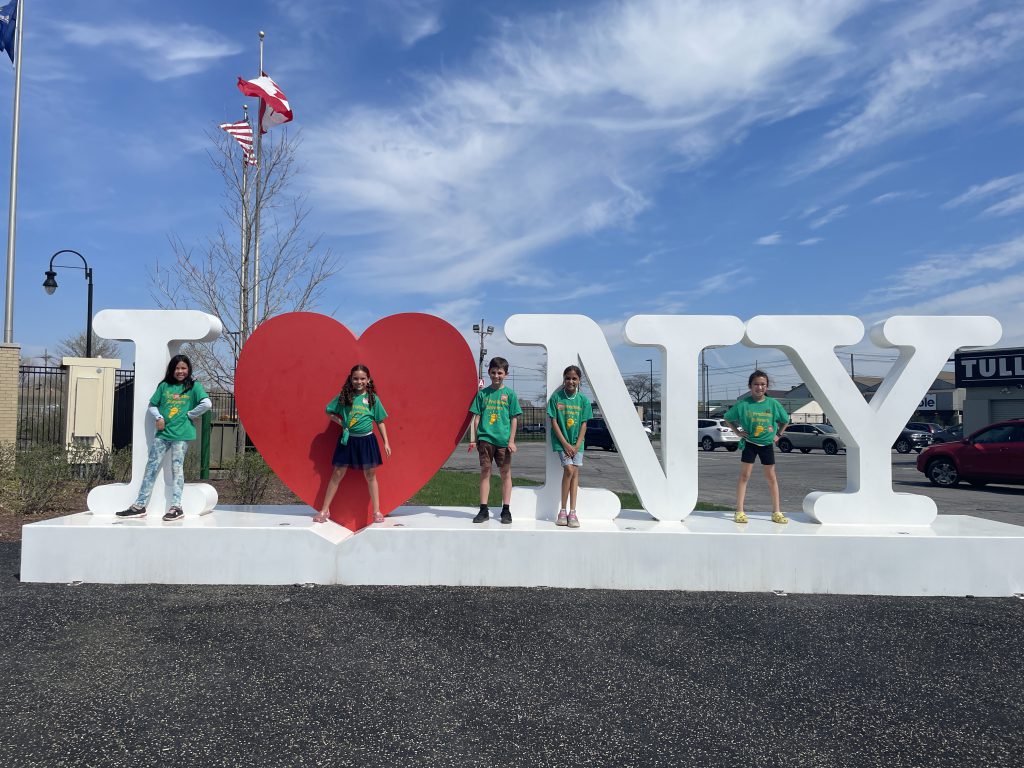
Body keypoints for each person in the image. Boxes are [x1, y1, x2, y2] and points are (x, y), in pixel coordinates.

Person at [117, 354, 211, 522]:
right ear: (172, 369)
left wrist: (190, 414)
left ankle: (176, 507)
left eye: (183, 368)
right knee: (151, 467)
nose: (180, 371)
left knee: (177, 469)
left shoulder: (194, 386)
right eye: (177, 368)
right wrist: (159, 417)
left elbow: (206, 403)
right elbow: (152, 405)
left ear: (188, 369)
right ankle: (139, 506)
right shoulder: (165, 386)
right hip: (163, 434)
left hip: (181, 435)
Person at [315, 364, 392, 524]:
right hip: (348, 440)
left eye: (362, 378)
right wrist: (341, 422)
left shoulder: (373, 399)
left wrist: (386, 442)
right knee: (337, 473)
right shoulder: (344, 396)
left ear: (368, 380)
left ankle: (376, 511)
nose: (359, 381)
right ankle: (324, 510)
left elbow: (380, 421)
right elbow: (328, 411)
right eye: (356, 378)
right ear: (350, 379)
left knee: (370, 475)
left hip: (367, 441)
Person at [723, 369, 790, 525]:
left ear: (766, 386)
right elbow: (728, 418)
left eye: (763, 384)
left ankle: (776, 512)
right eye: (756, 384)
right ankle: (739, 511)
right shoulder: (743, 404)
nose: (759, 387)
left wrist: (778, 435)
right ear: (750, 386)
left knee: (771, 477)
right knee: (744, 476)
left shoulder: (773, 404)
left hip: (766, 444)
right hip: (750, 444)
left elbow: (785, 420)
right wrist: (738, 432)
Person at [468, 356, 522, 524]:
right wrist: (474, 439)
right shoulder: (482, 394)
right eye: (493, 372)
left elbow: (514, 418)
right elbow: (476, 417)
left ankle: (506, 510)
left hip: (503, 442)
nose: (496, 376)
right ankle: (483, 509)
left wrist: (511, 440)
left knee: (505, 473)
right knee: (485, 472)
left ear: (505, 374)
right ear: (489, 372)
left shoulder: (510, 395)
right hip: (485, 439)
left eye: (500, 373)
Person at [547, 365, 592, 529]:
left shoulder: (584, 401)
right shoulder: (556, 398)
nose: (571, 381)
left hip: (577, 444)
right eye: (568, 378)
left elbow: (584, 424)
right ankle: (563, 510)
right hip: (562, 443)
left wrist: (577, 444)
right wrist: (566, 444)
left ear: (579, 380)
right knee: (569, 470)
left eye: (574, 378)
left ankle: (573, 512)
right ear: (563, 379)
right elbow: (553, 422)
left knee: (575, 473)